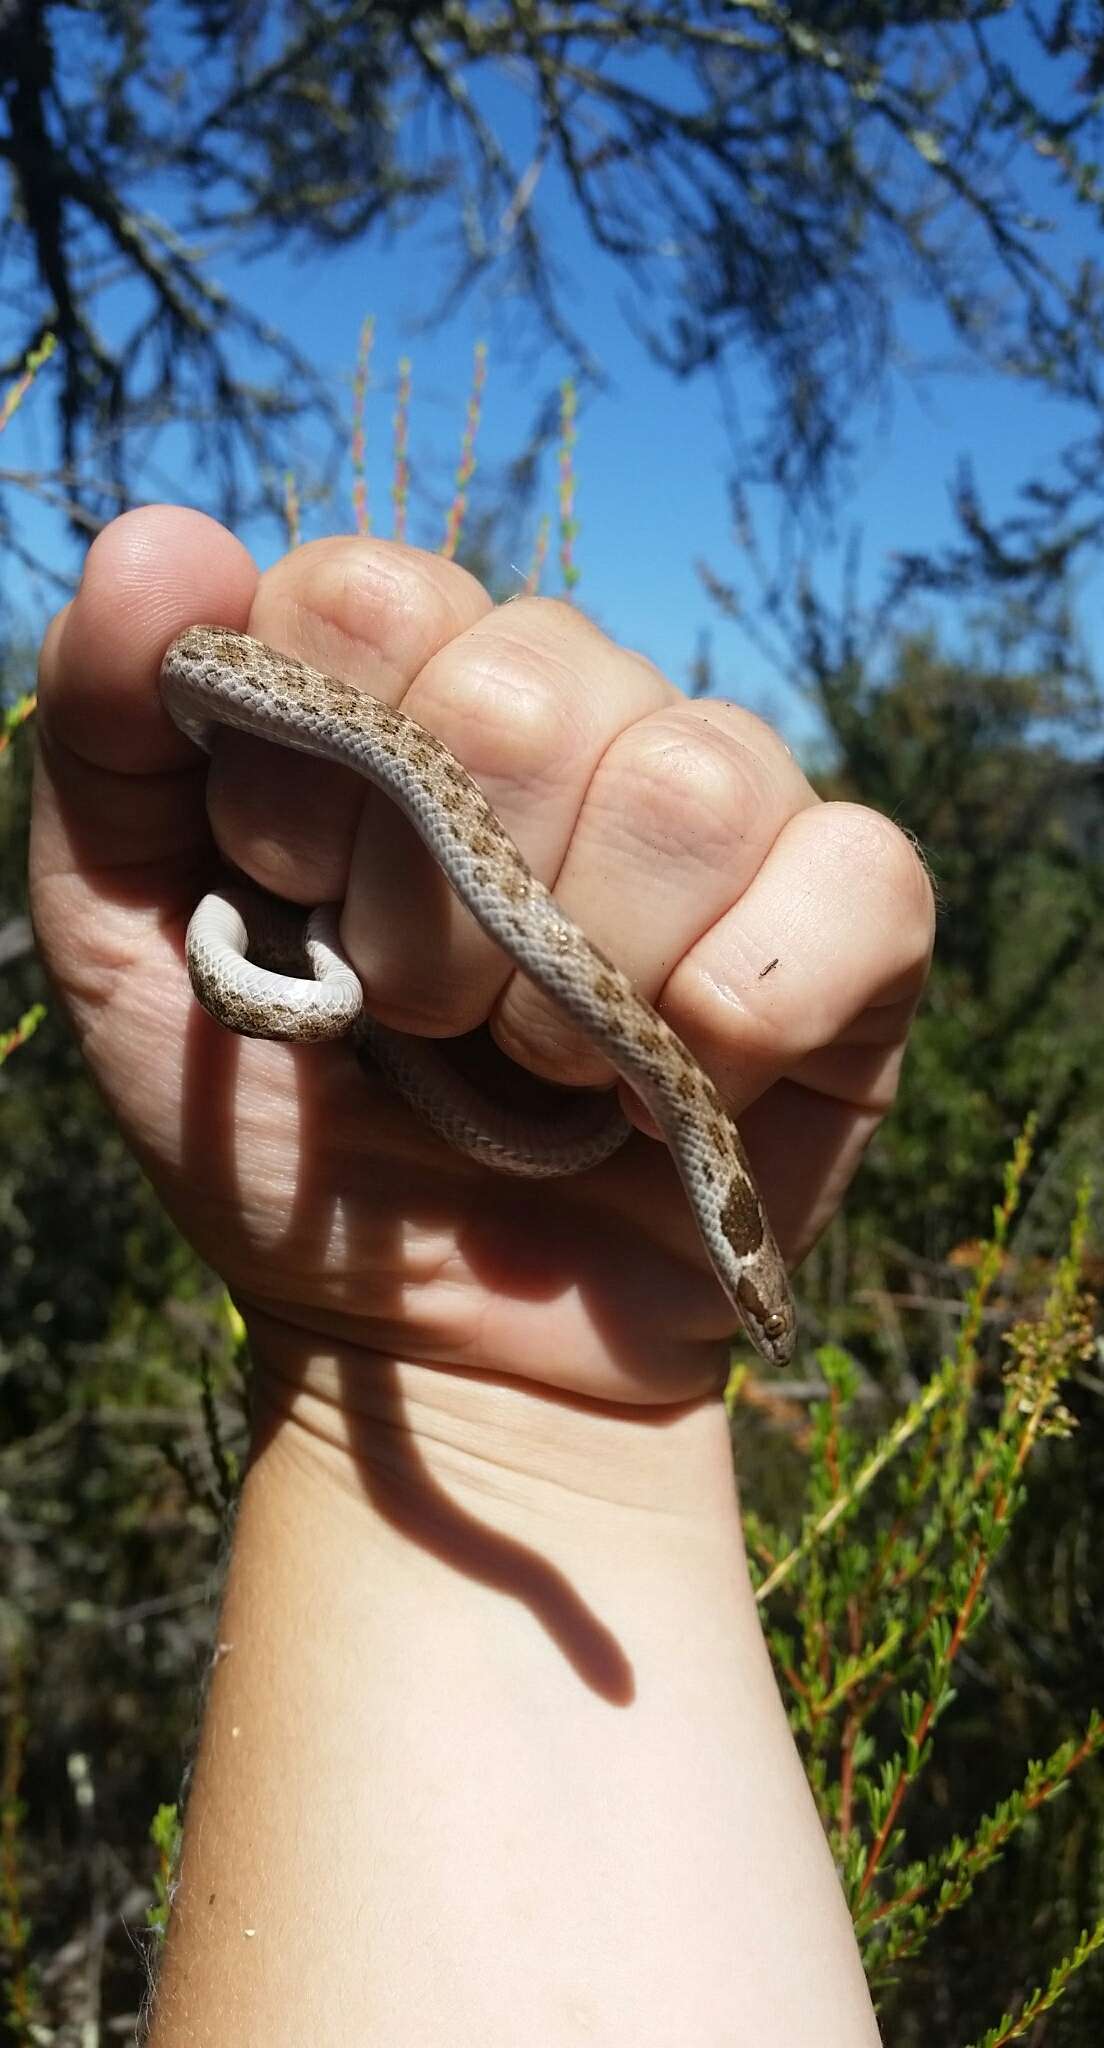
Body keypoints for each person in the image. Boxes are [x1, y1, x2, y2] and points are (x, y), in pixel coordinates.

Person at [30, 506, 934, 2044]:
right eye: (759, 1294)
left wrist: (528, 1414)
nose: (761, 1320)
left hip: (508, 1267)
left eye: (758, 1306)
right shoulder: (668, 1142)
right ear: (737, 1239)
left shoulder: (652, 1189)